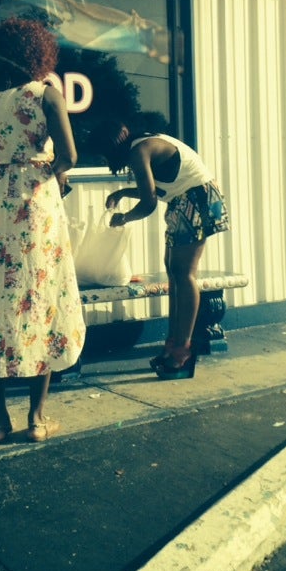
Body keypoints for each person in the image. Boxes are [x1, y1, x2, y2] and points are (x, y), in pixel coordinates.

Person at [0, 17, 85, 443]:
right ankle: (37, 418)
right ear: (38, 53)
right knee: (39, 299)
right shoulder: (45, 95)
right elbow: (70, 155)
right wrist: (47, 172)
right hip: (35, 207)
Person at [91, 120, 229, 379]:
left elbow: (149, 203)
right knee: (174, 272)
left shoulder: (138, 151)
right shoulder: (141, 143)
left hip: (196, 197)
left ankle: (183, 350)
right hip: (183, 198)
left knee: (184, 273)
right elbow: (158, 188)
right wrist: (123, 192)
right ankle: (173, 343)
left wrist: (124, 217)